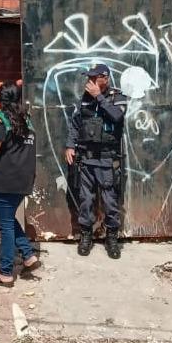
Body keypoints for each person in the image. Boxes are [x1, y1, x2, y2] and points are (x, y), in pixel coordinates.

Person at [0, 81, 41, 287]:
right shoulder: (26, 121)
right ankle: (28, 255)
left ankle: (5, 272)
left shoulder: (0, 120)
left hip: (5, 180)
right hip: (24, 179)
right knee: (8, 218)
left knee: (5, 226)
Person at [65, 64, 128, 259]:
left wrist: (99, 97)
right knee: (86, 200)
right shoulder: (85, 99)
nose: (90, 82)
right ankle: (86, 236)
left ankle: (111, 238)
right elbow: (76, 124)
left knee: (110, 202)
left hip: (107, 159)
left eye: (94, 78)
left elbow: (117, 116)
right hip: (87, 159)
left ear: (105, 78)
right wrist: (70, 145)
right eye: (89, 78)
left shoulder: (117, 97)